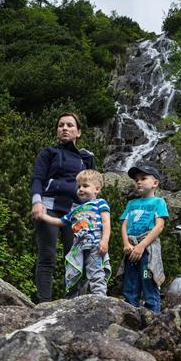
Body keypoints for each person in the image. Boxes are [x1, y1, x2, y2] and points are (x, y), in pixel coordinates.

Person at [31, 112, 96, 302]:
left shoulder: (87, 158)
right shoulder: (49, 153)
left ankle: (72, 303)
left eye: (70, 125)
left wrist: (92, 213)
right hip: (48, 208)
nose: (65, 128)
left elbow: (93, 187)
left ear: (79, 132)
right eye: (61, 125)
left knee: (75, 258)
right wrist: (36, 201)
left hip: (76, 211)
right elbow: (37, 179)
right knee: (47, 255)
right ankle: (43, 303)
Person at [33, 169, 111, 296]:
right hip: (78, 248)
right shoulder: (75, 210)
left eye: (85, 186)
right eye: (78, 186)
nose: (80, 189)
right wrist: (43, 216)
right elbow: (60, 222)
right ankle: (72, 300)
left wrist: (105, 240)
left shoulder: (100, 203)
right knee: (74, 273)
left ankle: (100, 299)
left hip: (95, 245)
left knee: (96, 272)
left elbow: (106, 222)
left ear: (97, 189)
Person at [120, 163, 169, 313]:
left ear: (155, 183)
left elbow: (159, 226)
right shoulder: (131, 203)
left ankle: (154, 319)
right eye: (136, 180)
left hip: (148, 249)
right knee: (130, 285)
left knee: (149, 282)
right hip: (131, 248)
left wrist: (142, 245)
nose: (139, 182)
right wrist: (126, 243)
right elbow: (124, 225)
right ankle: (131, 317)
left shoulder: (159, 202)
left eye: (143, 178)